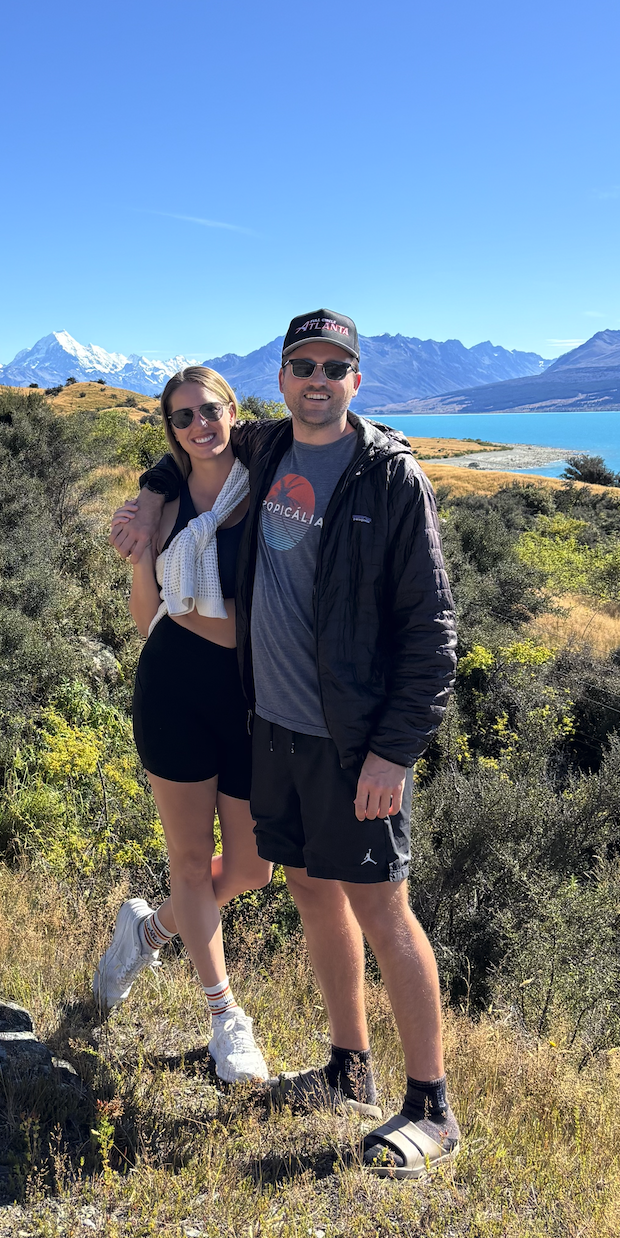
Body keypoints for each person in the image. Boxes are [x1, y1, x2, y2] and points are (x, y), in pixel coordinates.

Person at [112, 311, 460, 1177]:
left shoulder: (388, 475)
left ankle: (432, 1108)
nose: (317, 378)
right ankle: (349, 1068)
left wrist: (393, 751)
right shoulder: (265, 451)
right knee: (310, 891)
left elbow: (432, 629)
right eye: (302, 364)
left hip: (354, 741)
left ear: (356, 378)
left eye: (334, 365)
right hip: (272, 728)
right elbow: (187, 446)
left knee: (383, 906)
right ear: (280, 377)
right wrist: (151, 496)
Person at [94, 365, 272, 1085]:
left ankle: (149, 930)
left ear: (233, 411)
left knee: (255, 869)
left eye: (210, 410)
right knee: (193, 863)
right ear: (170, 429)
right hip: (174, 688)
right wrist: (140, 554)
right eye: (184, 417)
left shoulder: (264, 483)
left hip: (255, 697)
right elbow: (148, 620)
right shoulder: (161, 506)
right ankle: (226, 1019)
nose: (201, 425)